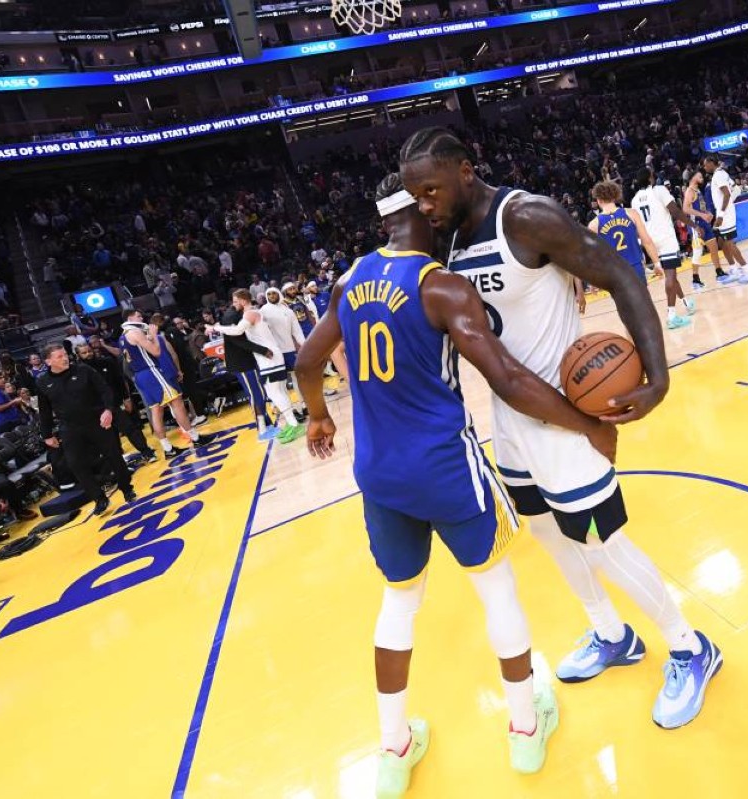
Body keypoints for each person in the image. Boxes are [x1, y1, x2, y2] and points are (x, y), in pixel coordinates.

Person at [296, 175, 620, 794]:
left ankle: (393, 748)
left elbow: (308, 362)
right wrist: (587, 425)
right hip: (444, 466)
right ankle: (525, 727)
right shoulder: (440, 286)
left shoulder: (349, 279)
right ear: (421, 215)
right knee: (497, 589)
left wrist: (318, 415)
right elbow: (507, 379)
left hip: (379, 474)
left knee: (399, 603)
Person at [400, 127, 722, 729]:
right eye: (415, 195)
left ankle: (690, 646)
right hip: (511, 421)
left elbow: (621, 276)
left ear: (465, 171)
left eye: (431, 191)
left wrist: (658, 377)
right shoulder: (449, 241)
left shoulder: (525, 217)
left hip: (567, 418)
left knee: (603, 544)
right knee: (550, 537)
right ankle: (612, 634)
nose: (424, 205)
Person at [35, 343, 135, 515]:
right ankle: (99, 498)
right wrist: (47, 435)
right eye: (59, 356)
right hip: (69, 427)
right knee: (75, 463)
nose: (65, 358)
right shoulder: (42, 381)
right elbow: (44, 410)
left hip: (97, 421)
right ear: (48, 361)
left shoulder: (83, 370)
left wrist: (108, 410)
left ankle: (127, 489)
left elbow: (105, 391)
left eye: (65, 354)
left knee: (114, 455)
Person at [208, 289, 305, 444]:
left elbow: (236, 331)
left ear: (242, 300)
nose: (233, 305)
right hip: (273, 355)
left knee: (274, 393)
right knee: (280, 391)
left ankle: (293, 424)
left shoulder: (250, 314)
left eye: (235, 301)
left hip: (268, 359)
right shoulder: (257, 312)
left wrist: (215, 327)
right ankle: (292, 423)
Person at [119, 309, 213, 458]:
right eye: (138, 316)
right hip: (151, 371)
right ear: (130, 318)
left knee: (156, 411)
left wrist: (149, 337)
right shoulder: (135, 332)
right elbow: (156, 352)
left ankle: (168, 448)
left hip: (140, 376)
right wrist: (154, 336)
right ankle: (195, 438)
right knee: (177, 403)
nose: (141, 318)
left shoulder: (122, 336)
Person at [631, 168, 698, 328]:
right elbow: (675, 211)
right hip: (665, 239)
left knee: (670, 276)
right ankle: (672, 315)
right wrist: (693, 225)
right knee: (670, 276)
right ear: (650, 178)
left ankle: (686, 302)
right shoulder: (659, 190)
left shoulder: (634, 200)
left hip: (650, 242)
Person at [75, 342, 156, 462]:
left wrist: (126, 398)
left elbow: (119, 381)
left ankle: (146, 451)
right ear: (78, 355)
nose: (88, 354)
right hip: (96, 410)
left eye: (89, 351)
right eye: (84, 353)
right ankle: (119, 460)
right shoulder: (77, 372)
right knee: (109, 437)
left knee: (130, 428)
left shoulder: (106, 362)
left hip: (113, 404)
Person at [587, 179, 659, 286]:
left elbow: (593, 255)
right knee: (642, 297)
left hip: (614, 272)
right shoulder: (632, 213)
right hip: (636, 266)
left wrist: (593, 280)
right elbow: (646, 241)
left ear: (598, 200)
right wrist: (657, 263)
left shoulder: (594, 224)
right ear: (615, 197)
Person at [702, 154, 748, 283]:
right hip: (725, 212)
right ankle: (734, 270)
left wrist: (721, 215)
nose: (704, 167)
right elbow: (734, 189)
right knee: (723, 242)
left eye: (705, 164)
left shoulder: (718, 175)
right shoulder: (721, 173)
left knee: (730, 243)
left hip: (725, 215)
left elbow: (726, 194)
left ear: (711, 163)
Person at [259, 287, 308, 422]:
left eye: (274, 293)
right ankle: (291, 411)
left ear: (279, 294)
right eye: (269, 294)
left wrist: (304, 345)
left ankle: (304, 405)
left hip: (290, 350)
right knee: (281, 385)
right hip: (274, 353)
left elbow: (297, 331)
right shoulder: (262, 312)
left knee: (298, 379)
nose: (271, 296)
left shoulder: (288, 311)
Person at [683, 172, 727, 288]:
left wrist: (707, 213)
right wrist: (701, 215)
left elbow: (701, 208)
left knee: (714, 247)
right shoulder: (689, 191)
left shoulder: (697, 190)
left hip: (704, 223)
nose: (701, 177)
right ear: (692, 177)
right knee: (698, 252)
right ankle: (695, 279)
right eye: (699, 175)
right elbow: (685, 209)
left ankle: (719, 272)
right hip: (696, 225)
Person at [0, 372, 26, 436]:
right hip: (6, 423)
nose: (3, 379)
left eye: (3, 377)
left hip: (9, 422)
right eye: (0, 378)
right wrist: (13, 402)